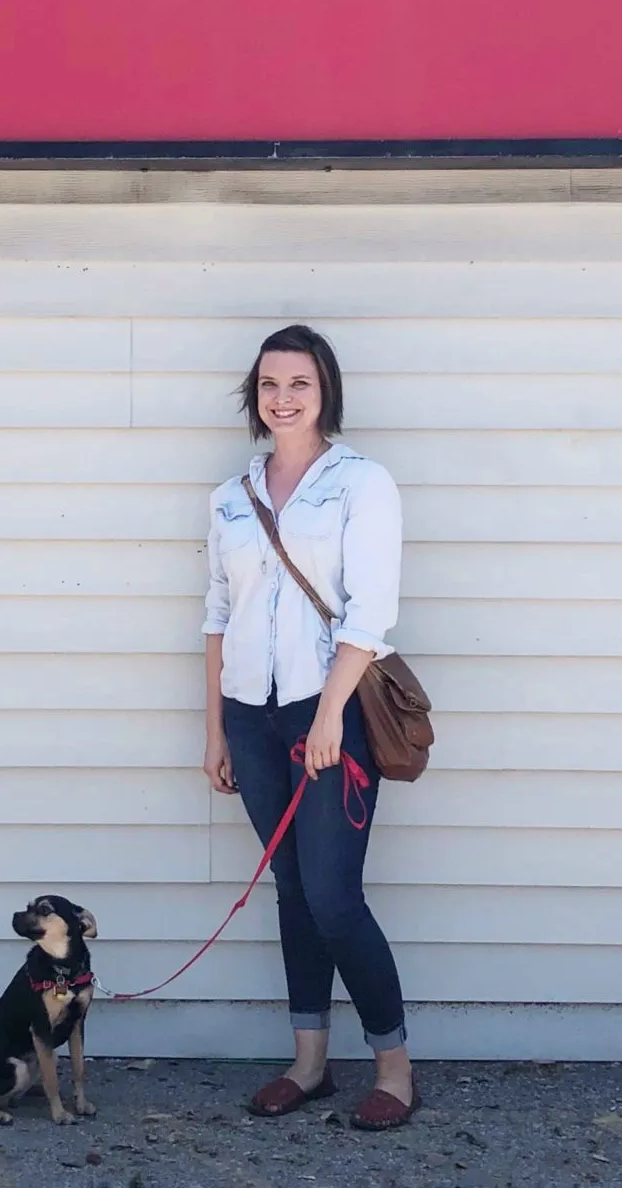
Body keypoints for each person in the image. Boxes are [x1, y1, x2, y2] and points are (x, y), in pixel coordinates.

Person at [202, 322, 418, 1129]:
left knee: (333, 896)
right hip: (250, 720)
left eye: (299, 383)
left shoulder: (361, 484)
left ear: (325, 391)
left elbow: (372, 612)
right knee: (292, 891)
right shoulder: (232, 497)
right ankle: (310, 1062)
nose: (283, 398)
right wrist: (217, 729)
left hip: (328, 712)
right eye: (269, 385)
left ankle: (394, 1068)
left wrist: (329, 713)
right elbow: (218, 614)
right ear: (253, 397)